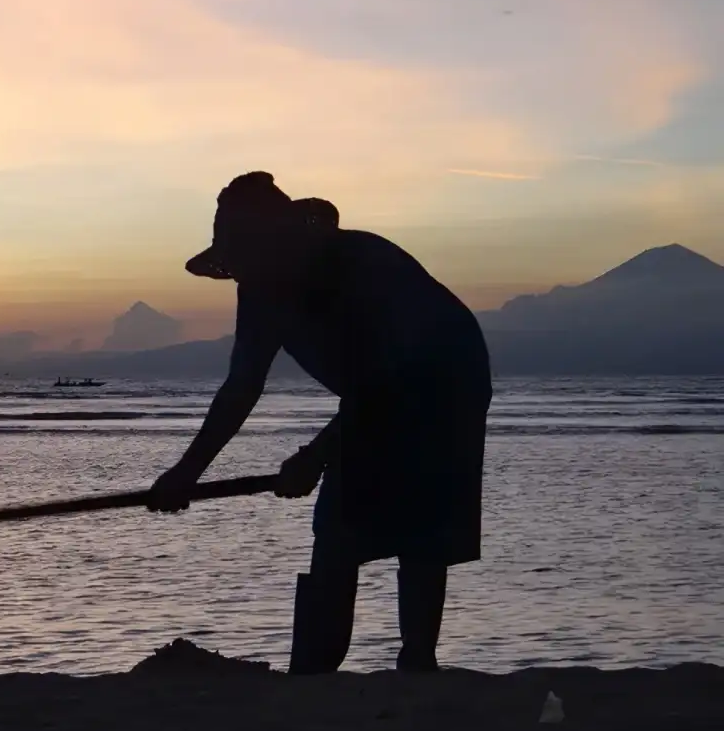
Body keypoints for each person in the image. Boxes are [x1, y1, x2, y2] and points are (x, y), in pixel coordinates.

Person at [146, 171, 492, 674]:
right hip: (377, 391)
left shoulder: (362, 267)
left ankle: (417, 662)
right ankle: (313, 671)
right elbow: (242, 386)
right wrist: (186, 473)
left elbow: (388, 384)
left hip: (447, 382)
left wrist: (315, 456)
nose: (246, 274)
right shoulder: (261, 290)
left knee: (420, 528)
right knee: (336, 529)